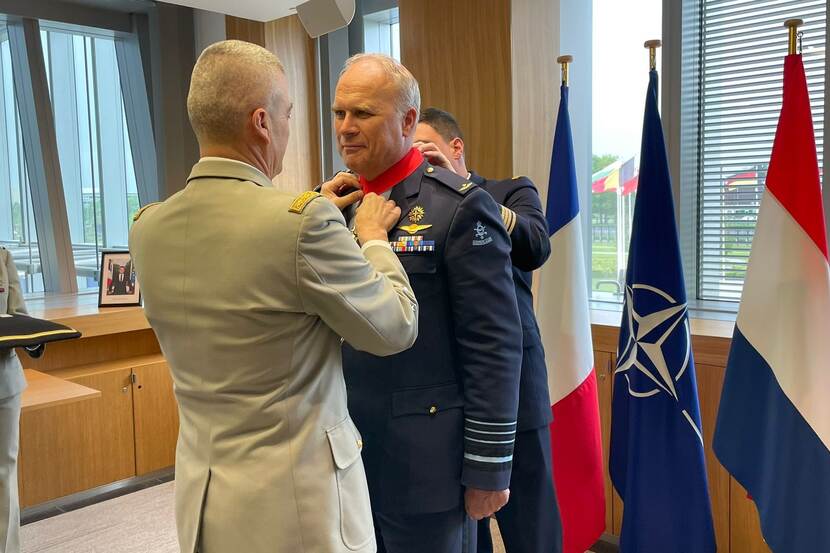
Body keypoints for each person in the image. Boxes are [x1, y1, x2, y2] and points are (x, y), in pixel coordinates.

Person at [129, 40, 419, 553]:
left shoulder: (148, 226)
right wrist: (372, 240)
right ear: (262, 122)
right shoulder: (303, 222)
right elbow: (394, 326)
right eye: (289, 114)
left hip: (205, 500)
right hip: (297, 510)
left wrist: (316, 219)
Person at [328, 53, 522, 553]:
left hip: (426, 463)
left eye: (363, 114)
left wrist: (488, 465)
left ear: (408, 121)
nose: (346, 128)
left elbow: (494, 345)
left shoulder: (456, 206)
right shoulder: (328, 209)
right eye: (339, 113)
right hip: (340, 454)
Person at [415, 107, 563, 553]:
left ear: (455, 147)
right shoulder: (415, 208)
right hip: (449, 395)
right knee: (464, 529)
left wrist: (463, 194)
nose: (420, 164)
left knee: (531, 526)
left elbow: (537, 244)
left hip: (515, 386)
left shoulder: (509, 190)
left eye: (426, 150)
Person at [0, 248, 27, 553]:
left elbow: (19, 315)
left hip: (4, 379)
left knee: (4, 473)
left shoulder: (3, 258)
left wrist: (34, 341)